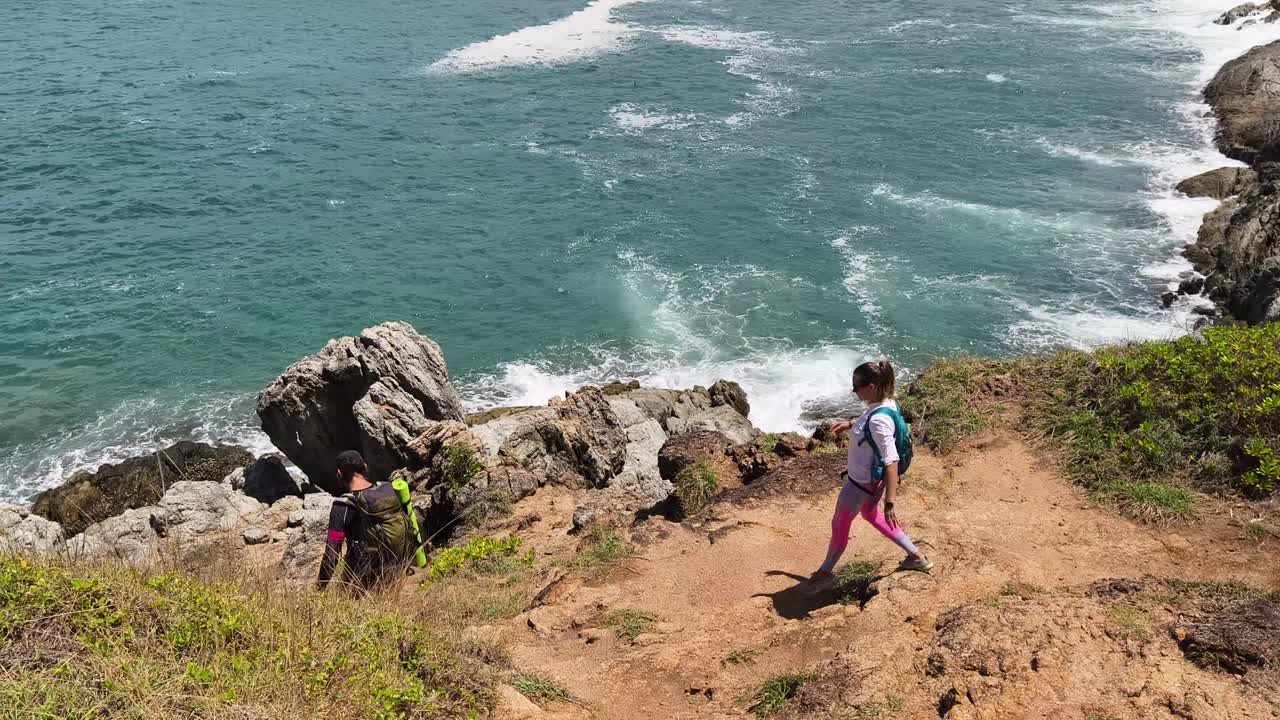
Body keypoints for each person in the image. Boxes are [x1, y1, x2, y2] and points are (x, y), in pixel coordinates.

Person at [809, 360, 932, 587]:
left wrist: (890, 501)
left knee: (840, 524)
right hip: (870, 481)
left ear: (872, 386)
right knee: (869, 514)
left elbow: (891, 459)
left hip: (860, 483)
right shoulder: (887, 405)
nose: (853, 390)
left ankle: (825, 572)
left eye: (857, 386)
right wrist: (850, 423)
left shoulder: (879, 420)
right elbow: (872, 422)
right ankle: (916, 557)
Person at [317, 450, 415, 591]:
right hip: (397, 570)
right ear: (365, 466)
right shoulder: (388, 490)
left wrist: (320, 588)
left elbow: (333, 551)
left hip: (362, 579)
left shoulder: (344, 505)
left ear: (339, 473)